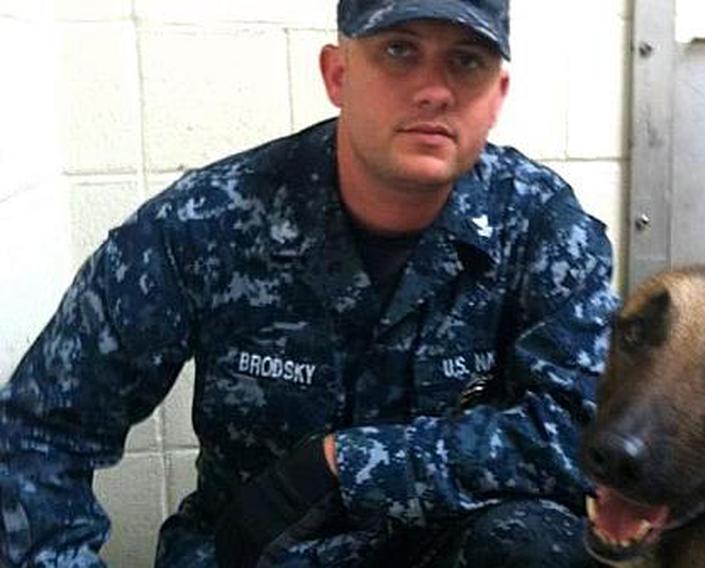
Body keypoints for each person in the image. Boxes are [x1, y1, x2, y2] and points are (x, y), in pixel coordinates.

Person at [0, 0, 618, 566]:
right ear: (338, 75)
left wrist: (343, 467)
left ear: (498, 93)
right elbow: (40, 429)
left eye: (466, 61)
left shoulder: (540, 226)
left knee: (545, 548)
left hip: (447, 548)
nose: (434, 90)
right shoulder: (206, 221)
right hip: (256, 551)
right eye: (399, 50)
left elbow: (585, 436)